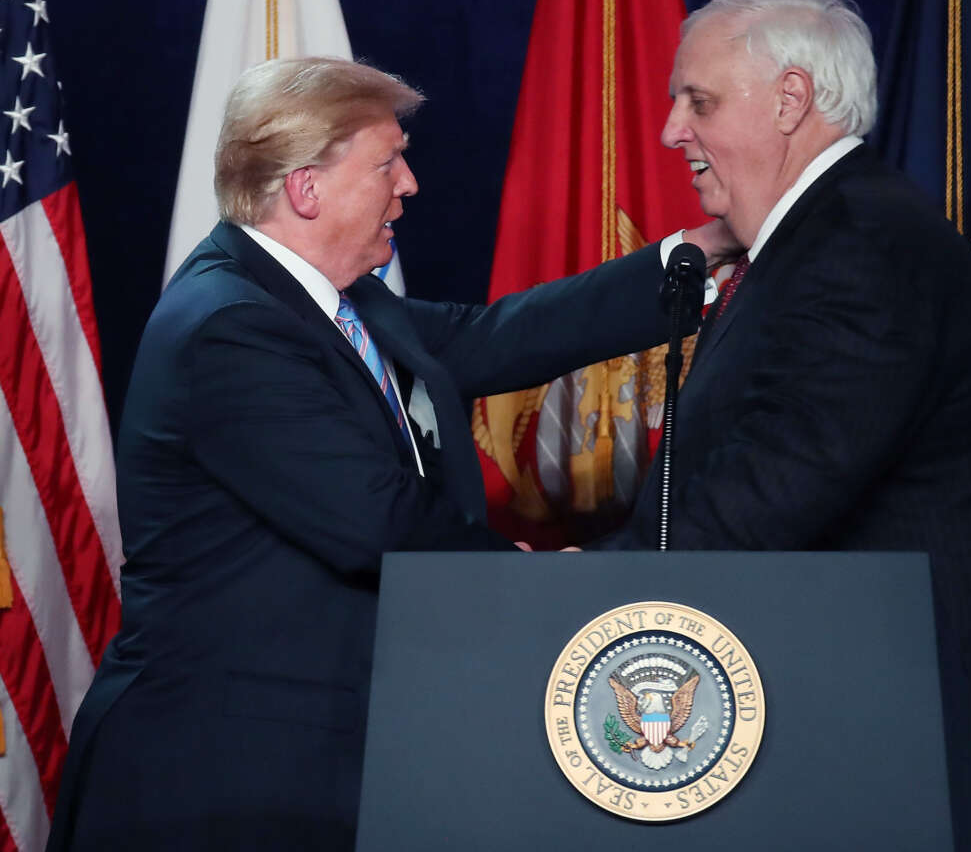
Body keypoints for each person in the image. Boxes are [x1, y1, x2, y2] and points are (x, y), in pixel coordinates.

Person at [47, 57, 705, 851]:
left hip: (304, 765)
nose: (410, 184)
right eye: (387, 162)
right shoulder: (228, 327)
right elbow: (378, 519)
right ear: (305, 189)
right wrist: (531, 585)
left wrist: (689, 265)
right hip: (215, 783)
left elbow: (487, 337)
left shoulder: (329, 299)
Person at [589, 0, 971, 850]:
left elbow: (767, 496)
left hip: (943, 756)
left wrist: (582, 585)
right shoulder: (819, 241)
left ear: (790, 100)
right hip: (876, 732)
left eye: (701, 101)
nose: (670, 130)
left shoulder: (858, 246)